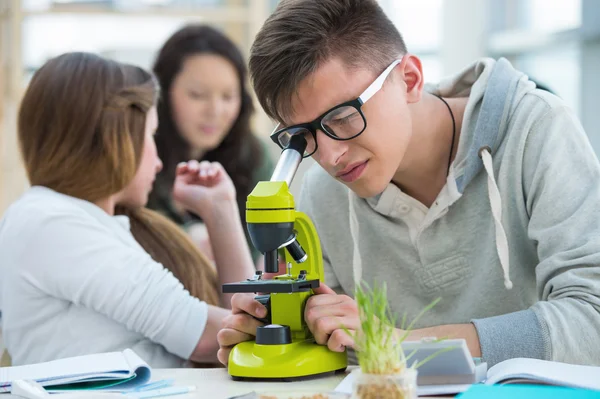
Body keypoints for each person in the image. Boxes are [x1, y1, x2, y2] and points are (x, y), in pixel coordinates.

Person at [217, 0, 600, 368]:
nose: (330, 157)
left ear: (410, 79)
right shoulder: (324, 190)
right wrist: (276, 334)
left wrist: (400, 343)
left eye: (343, 117)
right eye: (304, 136)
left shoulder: (538, 130)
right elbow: (340, 347)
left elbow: (592, 320)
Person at [0, 52, 255, 367]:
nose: (159, 161)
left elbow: (232, 326)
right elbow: (209, 338)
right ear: (116, 140)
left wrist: (220, 211)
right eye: (151, 135)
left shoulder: (98, 224)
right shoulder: (47, 220)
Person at [149, 24, 275, 263]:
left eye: (228, 96)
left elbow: (260, 253)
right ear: (162, 93)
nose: (215, 111)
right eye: (197, 95)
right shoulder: (139, 156)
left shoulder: (254, 156)